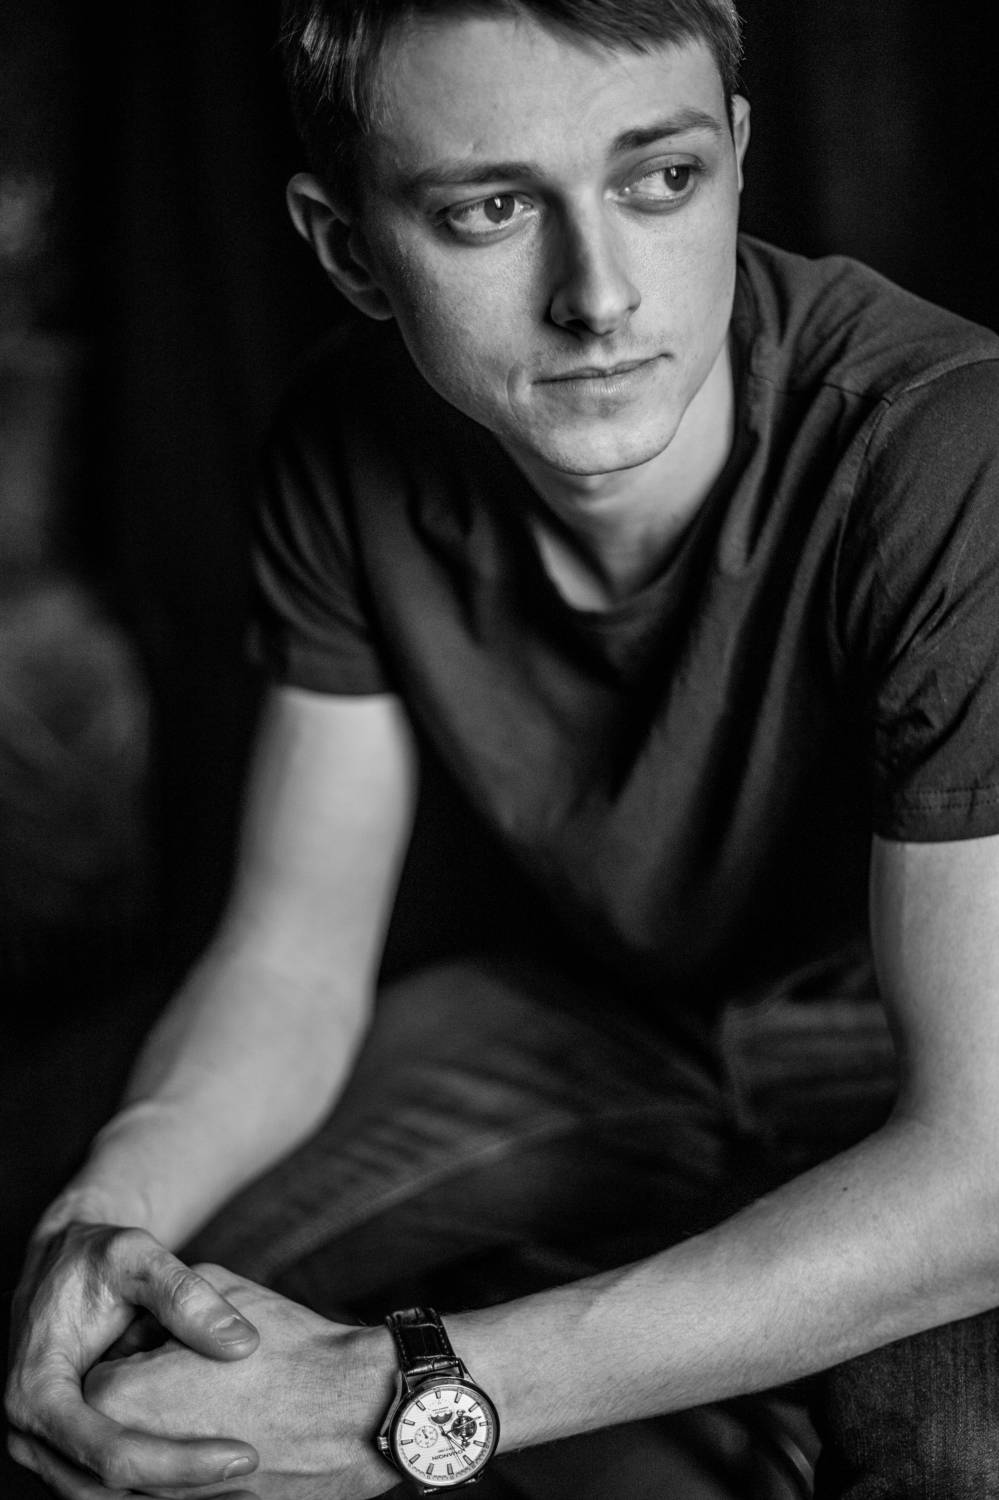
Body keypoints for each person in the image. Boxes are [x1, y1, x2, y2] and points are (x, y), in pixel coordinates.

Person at [8, 1, 999, 1496]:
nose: (599, 295)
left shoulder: (944, 443)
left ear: (736, 160)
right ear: (349, 249)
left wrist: (403, 1393)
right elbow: (291, 965)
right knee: (114, 1360)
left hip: (912, 1069)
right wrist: (99, 1217)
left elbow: (978, 1172)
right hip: (601, 1023)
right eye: (490, 209)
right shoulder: (341, 446)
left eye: (659, 179)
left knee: (947, 1455)